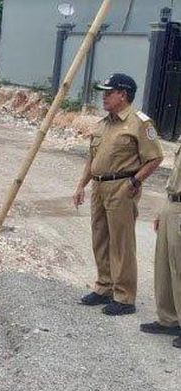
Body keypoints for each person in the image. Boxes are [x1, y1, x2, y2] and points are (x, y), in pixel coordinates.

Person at [73, 74, 163, 316]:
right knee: (100, 237)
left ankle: (124, 296)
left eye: (108, 92)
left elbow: (155, 157)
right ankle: (104, 286)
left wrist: (135, 181)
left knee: (121, 242)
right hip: (99, 188)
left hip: (122, 187)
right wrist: (82, 185)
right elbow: (92, 158)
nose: (104, 97)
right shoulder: (104, 123)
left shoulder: (139, 123)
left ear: (123, 95)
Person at [140, 146, 181, 348]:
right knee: (164, 264)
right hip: (172, 203)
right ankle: (169, 319)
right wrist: (162, 211)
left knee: (179, 267)